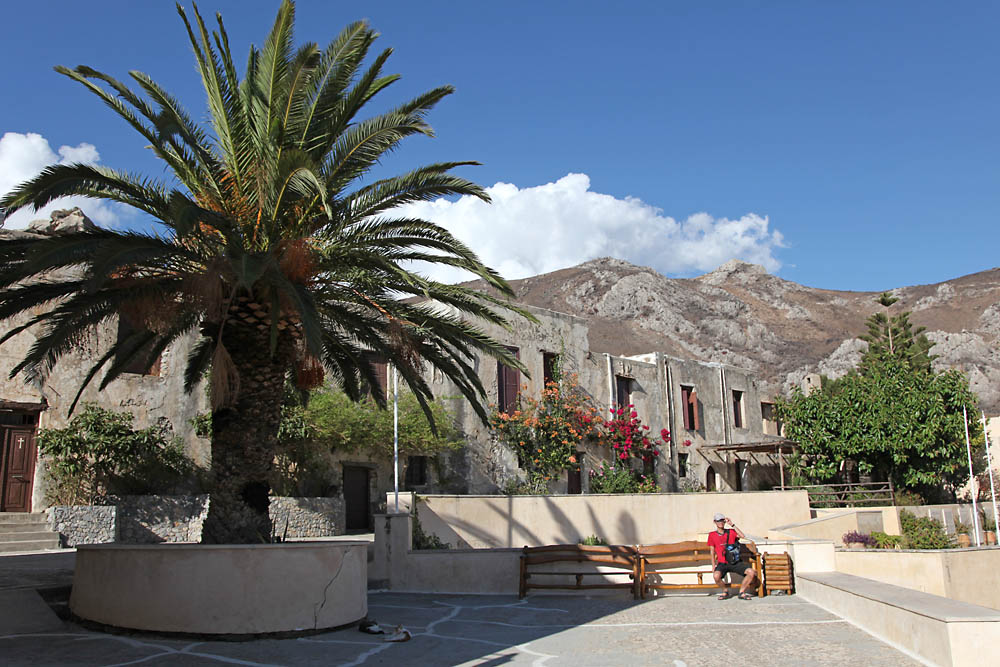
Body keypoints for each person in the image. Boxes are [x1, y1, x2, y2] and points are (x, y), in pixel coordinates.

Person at [707, 512, 757, 600]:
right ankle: (725, 591)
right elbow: (712, 551)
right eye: (718, 521)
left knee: (751, 572)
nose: (720, 522)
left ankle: (741, 592)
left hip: (735, 561)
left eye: (722, 520)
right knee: (716, 576)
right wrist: (713, 565)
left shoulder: (731, 532)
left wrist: (732, 524)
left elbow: (742, 536)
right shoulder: (712, 535)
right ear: (714, 522)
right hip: (722, 563)